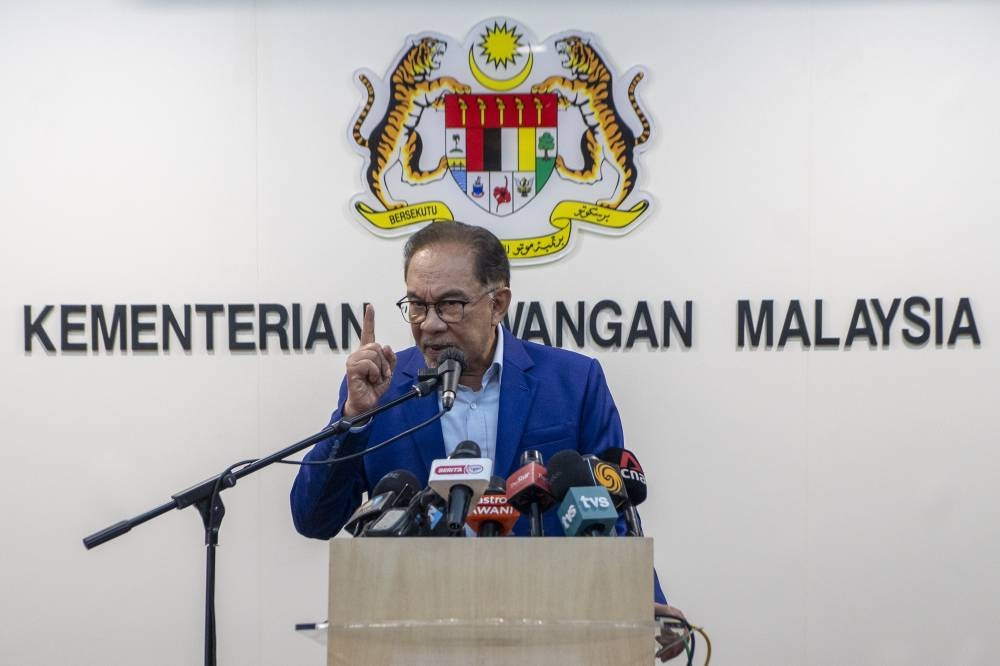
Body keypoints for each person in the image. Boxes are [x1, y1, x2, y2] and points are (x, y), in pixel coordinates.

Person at [290, 221, 687, 661]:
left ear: (498, 303)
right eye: (417, 306)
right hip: (417, 639)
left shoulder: (573, 382)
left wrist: (641, 600)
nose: (431, 325)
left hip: (555, 637)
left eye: (451, 305)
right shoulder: (380, 390)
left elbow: (612, 508)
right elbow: (314, 519)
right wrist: (354, 418)